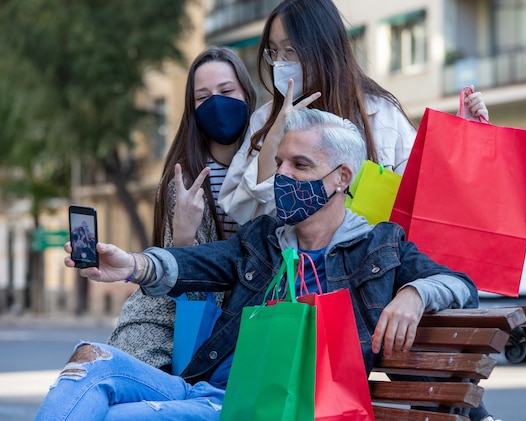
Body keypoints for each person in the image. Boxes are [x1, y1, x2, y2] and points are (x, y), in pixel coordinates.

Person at [37, 108, 479, 420]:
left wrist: (413, 293)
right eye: (281, 162)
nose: (282, 175)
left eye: (300, 165)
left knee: (117, 417)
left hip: (262, 407)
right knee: (89, 360)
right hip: (205, 387)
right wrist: (132, 264)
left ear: (343, 178)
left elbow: (461, 284)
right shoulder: (262, 239)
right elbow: (200, 262)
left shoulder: (379, 246)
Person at [218, 0, 489, 225]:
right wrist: (277, 135)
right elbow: (244, 211)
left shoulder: (380, 113)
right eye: (273, 52)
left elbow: (426, 196)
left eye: (290, 50)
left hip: (373, 278)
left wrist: (465, 137)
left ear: (324, 48)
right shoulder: (266, 120)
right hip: (295, 277)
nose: (279, 63)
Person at [107, 46, 257, 370]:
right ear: (192, 108)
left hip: (254, 317)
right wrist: (183, 235)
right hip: (185, 317)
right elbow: (173, 274)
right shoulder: (182, 176)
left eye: (226, 90)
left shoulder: (274, 164)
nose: (216, 102)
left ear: (247, 93)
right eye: (202, 97)